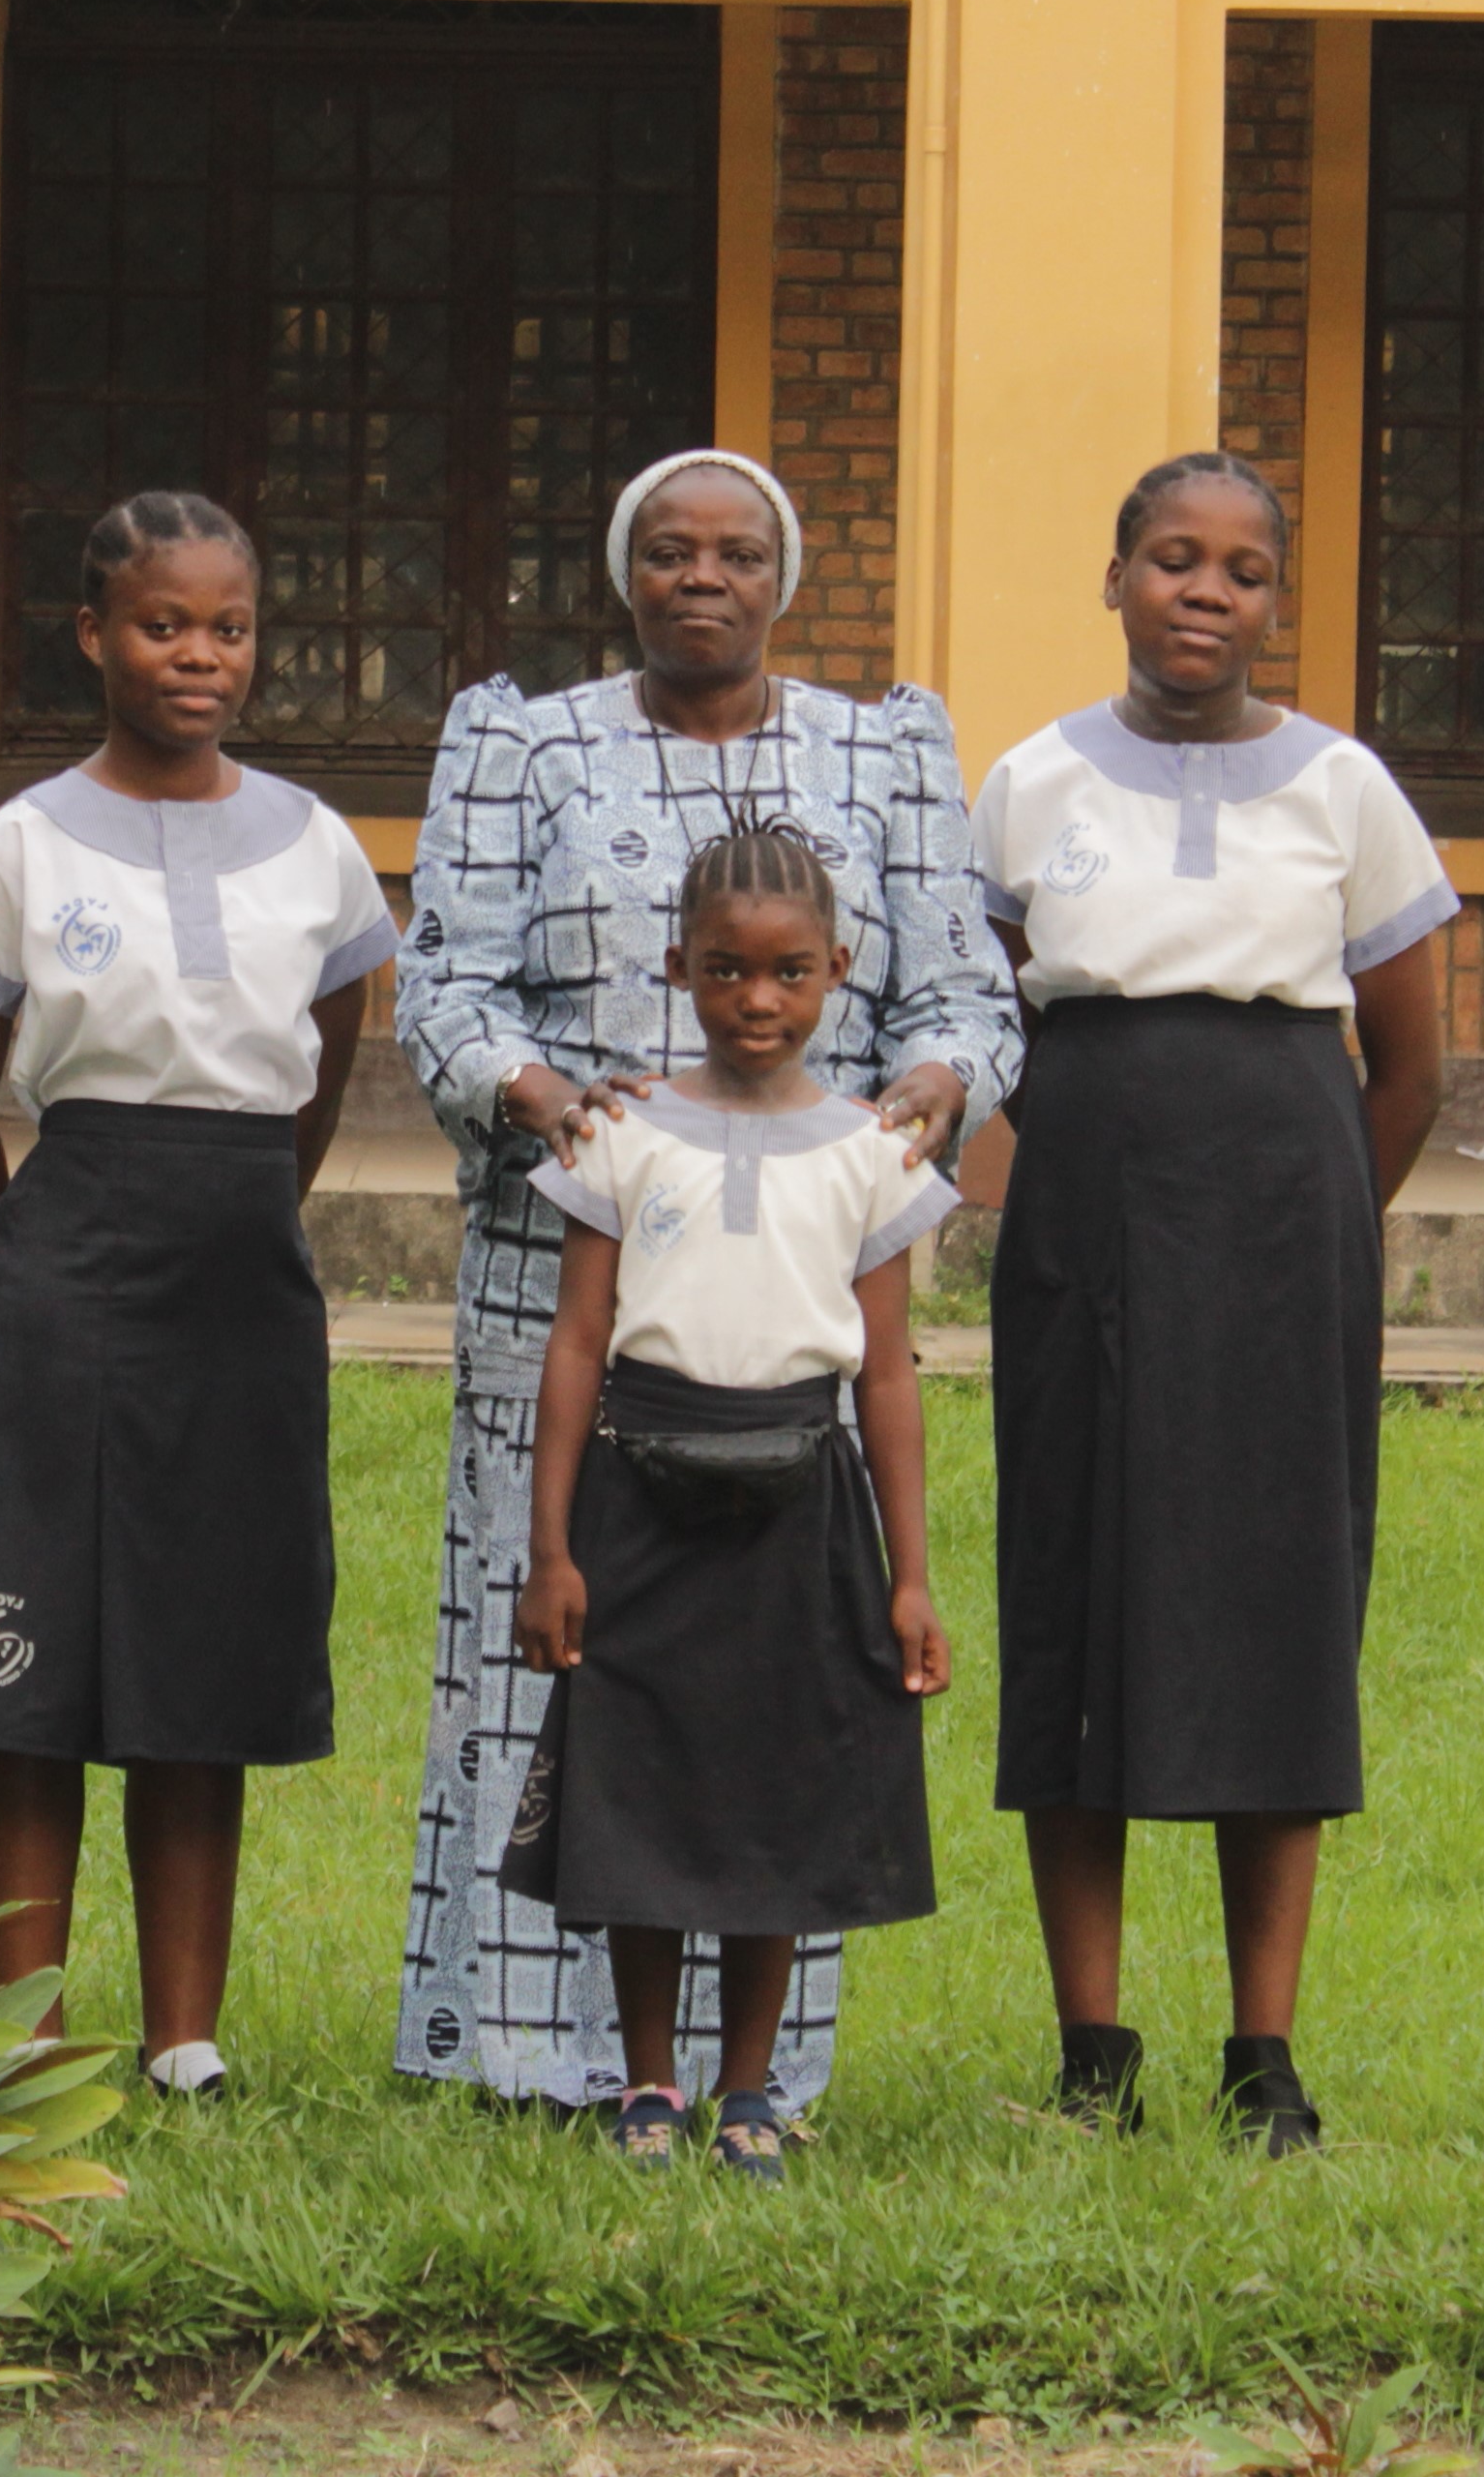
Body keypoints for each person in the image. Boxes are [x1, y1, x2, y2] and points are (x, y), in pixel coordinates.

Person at [391, 446, 1023, 2115]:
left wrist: (931, 1093)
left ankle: (757, 2071)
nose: (701, 579)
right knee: (563, 1653)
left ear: (783, 578)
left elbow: (969, 996)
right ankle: (538, 2053)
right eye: (667, 553)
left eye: (737, 555)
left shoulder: (882, 753)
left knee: (773, 1685)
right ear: (625, 574)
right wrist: (540, 1098)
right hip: (574, 1273)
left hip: (805, 1280)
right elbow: (441, 983)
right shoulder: (524, 745)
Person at [967, 449, 1453, 2156]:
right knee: (1076, 1584)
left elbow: (1405, 1070)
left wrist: (1307, 1227)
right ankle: (1093, 2048)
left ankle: (1267, 2054)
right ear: (1114, 580)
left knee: (1277, 1600)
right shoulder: (1026, 783)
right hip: (1086, 1208)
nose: (1204, 593)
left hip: (1283, 1219)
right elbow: (979, 1025)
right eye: (1172, 560)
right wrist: (1078, 1194)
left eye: (1242, 571)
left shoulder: (1344, 786)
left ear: (1274, 601)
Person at [0, 488, 396, 2102]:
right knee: (28, 1672)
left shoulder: (314, 844)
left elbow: (325, 1067)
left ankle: (186, 2039)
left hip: (243, 1275)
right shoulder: (22, 844)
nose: (199, 655)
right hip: (67, 1258)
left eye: (229, 627)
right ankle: (23, 2048)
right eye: (163, 624)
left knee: (207, 1659)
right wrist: (28, 1276)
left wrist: (245, 1216)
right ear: (94, 638)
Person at [501, 820, 955, 2186]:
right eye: (725, 973)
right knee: (642, 1785)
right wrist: (549, 1550)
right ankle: (648, 2078)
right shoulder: (619, 1133)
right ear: (677, 966)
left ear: (841, 971)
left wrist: (913, 1574)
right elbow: (576, 1344)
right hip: (642, 1498)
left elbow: (885, 1375)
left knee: (781, 1792)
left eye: (791, 974)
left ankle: (748, 2087)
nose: (758, 1003)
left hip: (802, 1501)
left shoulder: (872, 1151)